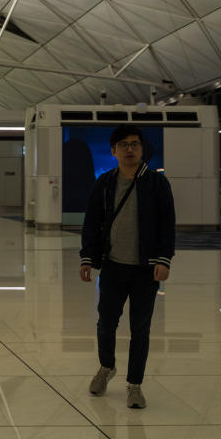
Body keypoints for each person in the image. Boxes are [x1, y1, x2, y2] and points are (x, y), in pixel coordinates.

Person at [80, 124, 175, 409]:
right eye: (124, 145)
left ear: (142, 149)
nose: (130, 149)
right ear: (114, 151)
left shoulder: (157, 184)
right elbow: (91, 222)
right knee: (106, 323)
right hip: (113, 266)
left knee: (140, 328)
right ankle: (107, 367)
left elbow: (167, 224)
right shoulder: (105, 183)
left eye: (134, 144)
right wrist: (87, 258)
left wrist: (164, 259)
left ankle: (135, 384)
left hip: (145, 269)